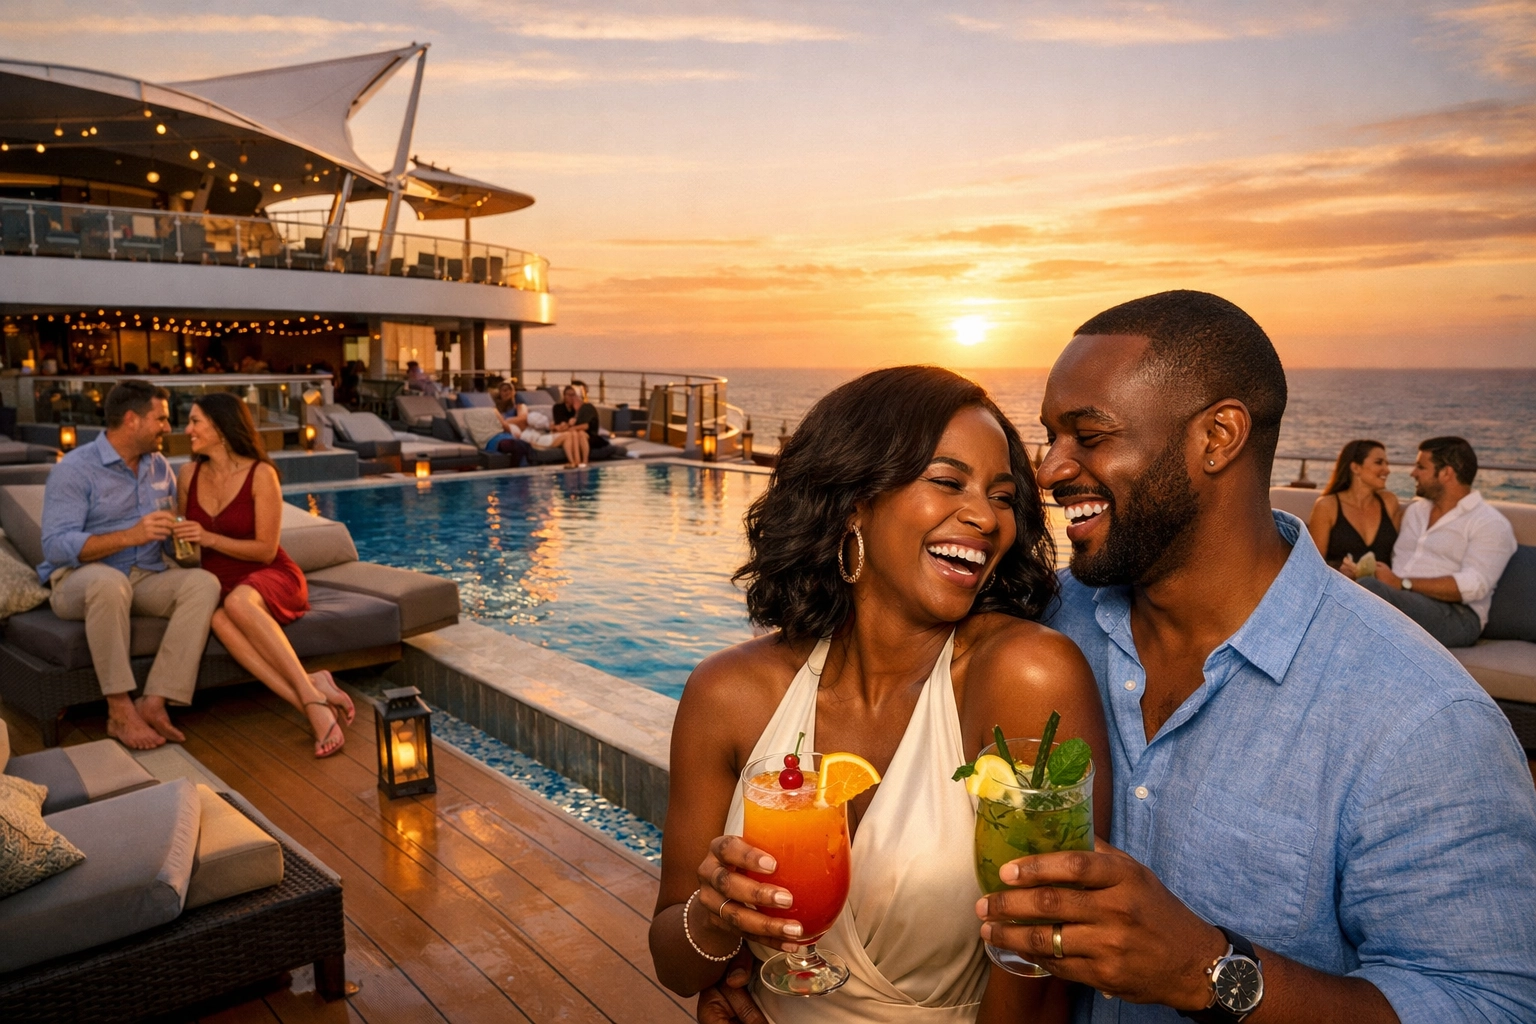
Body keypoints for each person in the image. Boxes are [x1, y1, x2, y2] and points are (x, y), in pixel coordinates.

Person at [971, 291, 1536, 1023]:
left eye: (1089, 435)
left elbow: (1491, 1005)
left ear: (1219, 436)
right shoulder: (1046, 626)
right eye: (1050, 437)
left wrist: (1208, 973)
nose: (1049, 470)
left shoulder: (1422, 721)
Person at [663, 366, 1112, 1024]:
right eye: (947, 481)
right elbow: (673, 964)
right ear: (854, 500)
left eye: (1004, 496)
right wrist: (717, 914)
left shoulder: (1023, 676)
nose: (986, 517)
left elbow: (1042, 983)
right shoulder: (727, 693)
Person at [37, 380, 222, 750]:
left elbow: (169, 524)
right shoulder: (75, 469)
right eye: (162, 419)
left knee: (203, 584)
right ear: (131, 420)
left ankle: (155, 701)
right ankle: (119, 710)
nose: (168, 428)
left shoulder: (158, 467)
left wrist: (181, 534)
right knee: (108, 583)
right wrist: (130, 535)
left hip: (145, 576)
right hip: (79, 580)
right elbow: (56, 545)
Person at [170, 393, 355, 758]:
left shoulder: (260, 474)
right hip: (220, 580)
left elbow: (265, 550)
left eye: (195, 422)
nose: (187, 429)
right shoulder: (188, 475)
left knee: (238, 602)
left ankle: (314, 705)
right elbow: (190, 549)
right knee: (221, 619)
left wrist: (207, 537)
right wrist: (176, 537)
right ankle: (311, 697)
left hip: (269, 575)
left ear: (221, 428)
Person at [1357, 436, 1517, 649]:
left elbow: (1474, 585)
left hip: (1457, 615)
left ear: (1446, 473)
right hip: (1402, 600)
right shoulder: (1416, 511)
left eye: (1420, 467)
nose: (1412, 473)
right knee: (1349, 589)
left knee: (1368, 591)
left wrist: (1402, 583)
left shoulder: (1489, 523)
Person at [1306, 439, 1402, 569]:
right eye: (1379, 463)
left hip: (1380, 588)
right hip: (1341, 586)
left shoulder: (1389, 502)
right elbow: (1313, 565)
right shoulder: (1327, 506)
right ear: (1355, 467)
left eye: (1387, 463)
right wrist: (1339, 572)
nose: (1387, 470)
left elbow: (1401, 556)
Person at [553, 383, 613, 466]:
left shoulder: (585, 408)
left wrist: (570, 426)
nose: (571, 398)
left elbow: (585, 425)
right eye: (569, 395)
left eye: (573, 395)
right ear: (564, 396)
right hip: (567, 431)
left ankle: (583, 461)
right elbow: (560, 423)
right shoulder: (559, 408)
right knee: (575, 433)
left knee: (578, 433)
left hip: (587, 433)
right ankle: (575, 461)